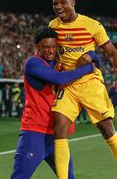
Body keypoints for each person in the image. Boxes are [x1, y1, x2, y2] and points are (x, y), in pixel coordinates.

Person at [49, 0, 117, 179]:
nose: (59, 6)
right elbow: (52, 52)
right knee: (59, 129)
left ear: (73, 3)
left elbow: (111, 52)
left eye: (63, 2)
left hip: (90, 82)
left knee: (107, 129)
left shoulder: (92, 25)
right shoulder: (53, 26)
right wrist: (56, 65)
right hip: (67, 84)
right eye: (55, 3)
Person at [11, 27, 99, 179]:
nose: (51, 50)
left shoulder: (57, 62)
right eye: (46, 47)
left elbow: (97, 57)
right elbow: (59, 79)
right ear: (37, 47)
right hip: (35, 133)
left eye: (53, 46)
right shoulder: (33, 63)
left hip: (57, 134)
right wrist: (89, 67)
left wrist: (92, 54)